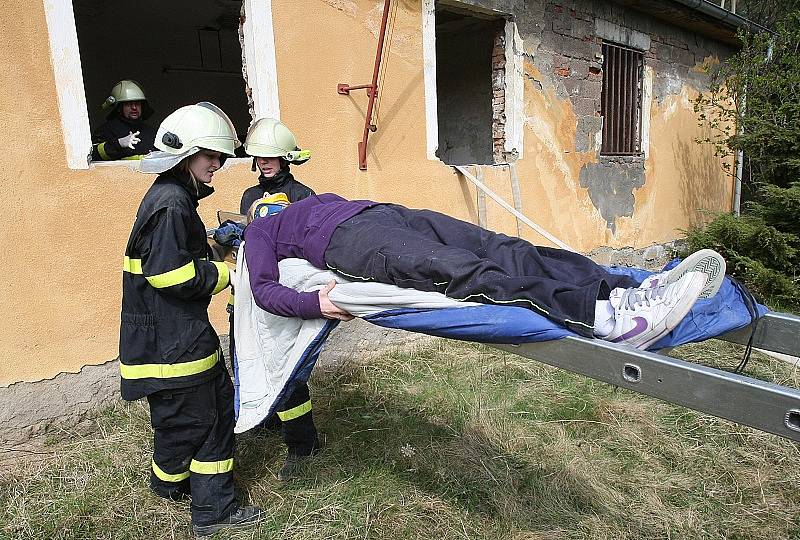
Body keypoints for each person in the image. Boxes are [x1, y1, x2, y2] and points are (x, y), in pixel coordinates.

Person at [241, 194, 724, 350]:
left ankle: (632, 287)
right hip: (348, 243)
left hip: (380, 213)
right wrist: (316, 303)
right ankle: (604, 319)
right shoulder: (258, 235)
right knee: (464, 270)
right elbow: (263, 291)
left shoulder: (305, 196)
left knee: (504, 246)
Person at [119, 102, 264, 536]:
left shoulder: (170, 195)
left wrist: (210, 242)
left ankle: (168, 488)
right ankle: (215, 513)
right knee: (213, 418)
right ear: (186, 154)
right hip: (177, 343)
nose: (217, 164)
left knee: (176, 420)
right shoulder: (172, 203)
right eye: (211, 156)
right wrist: (227, 271)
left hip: (160, 339)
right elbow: (168, 274)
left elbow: (170, 254)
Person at [234, 118, 320, 481]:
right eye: (259, 157)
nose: (264, 162)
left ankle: (303, 446)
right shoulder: (249, 197)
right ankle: (268, 418)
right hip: (255, 291)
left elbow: (314, 245)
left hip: (287, 294)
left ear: (286, 158)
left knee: (288, 370)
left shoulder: (303, 195)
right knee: (254, 360)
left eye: (271, 157)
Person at [91, 79, 157, 161]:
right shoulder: (106, 130)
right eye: (128, 104)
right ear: (119, 108)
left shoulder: (151, 132)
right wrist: (118, 144)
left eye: (137, 103)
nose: (134, 107)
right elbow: (93, 156)